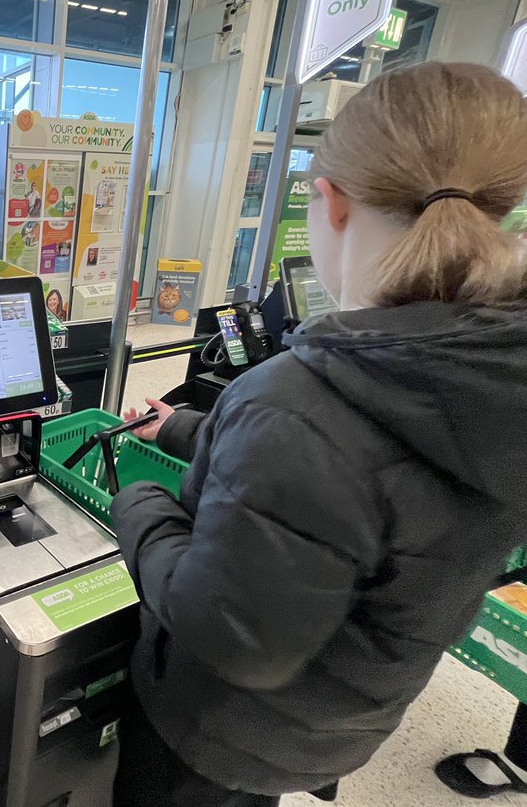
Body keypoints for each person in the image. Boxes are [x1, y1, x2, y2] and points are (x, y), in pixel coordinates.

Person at [110, 62, 527, 806]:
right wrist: (189, 431)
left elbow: (232, 634)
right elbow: (355, 477)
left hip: (219, 734)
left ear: (330, 204)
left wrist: (139, 504)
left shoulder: (297, 400)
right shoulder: (495, 373)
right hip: (341, 720)